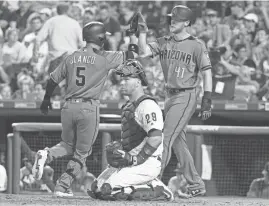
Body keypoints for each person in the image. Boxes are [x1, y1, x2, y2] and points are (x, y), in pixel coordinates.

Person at [32, 21, 139, 197]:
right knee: (82, 152)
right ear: (101, 37)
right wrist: (132, 35)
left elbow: (52, 80)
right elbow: (133, 54)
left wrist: (46, 100)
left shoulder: (72, 56)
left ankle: (47, 154)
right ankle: (62, 186)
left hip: (68, 107)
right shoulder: (104, 56)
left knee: (67, 145)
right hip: (88, 107)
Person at [133, 5, 213, 197]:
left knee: (165, 137)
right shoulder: (164, 41)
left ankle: (153, 180)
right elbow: (143, 52)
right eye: (171, 19)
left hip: (186, 94)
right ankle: (196, 184)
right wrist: (142, 32)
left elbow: (207, 72)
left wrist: (207, 98)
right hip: (169, 95)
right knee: (178, 143)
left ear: (186, 23)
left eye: (176, 19)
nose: (172, 22)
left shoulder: (196, 44)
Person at [87, 59, 173, 201]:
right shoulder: (129, 106)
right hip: (131, 162)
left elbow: (156, 137)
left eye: (126, 79)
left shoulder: (148, 105)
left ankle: (159, 190)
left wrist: (136, 159)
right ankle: (146, 183)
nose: (122, 83)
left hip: (146, 162)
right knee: (96, 188)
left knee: (108, 190)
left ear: (138, 82)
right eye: (122, 79)